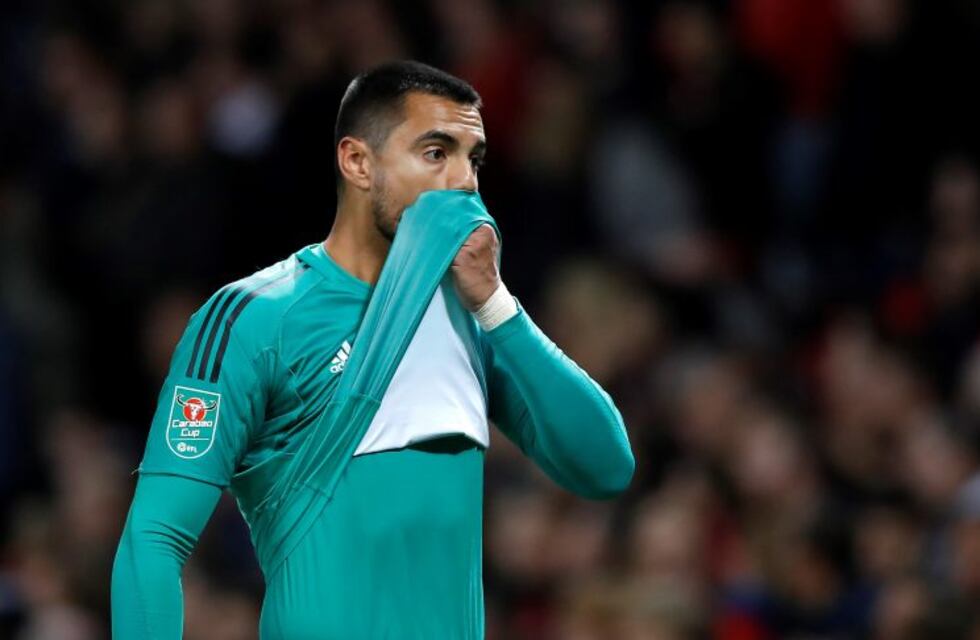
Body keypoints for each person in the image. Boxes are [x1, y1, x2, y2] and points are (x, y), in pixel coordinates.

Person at [111, 60, 634, 639]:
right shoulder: (253, 318)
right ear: (357, 161)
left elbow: (606, 466)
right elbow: (154, 540)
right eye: (436, 153)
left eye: (473, 159)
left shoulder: (470, 315)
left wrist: (495, 305)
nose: (463, 181)